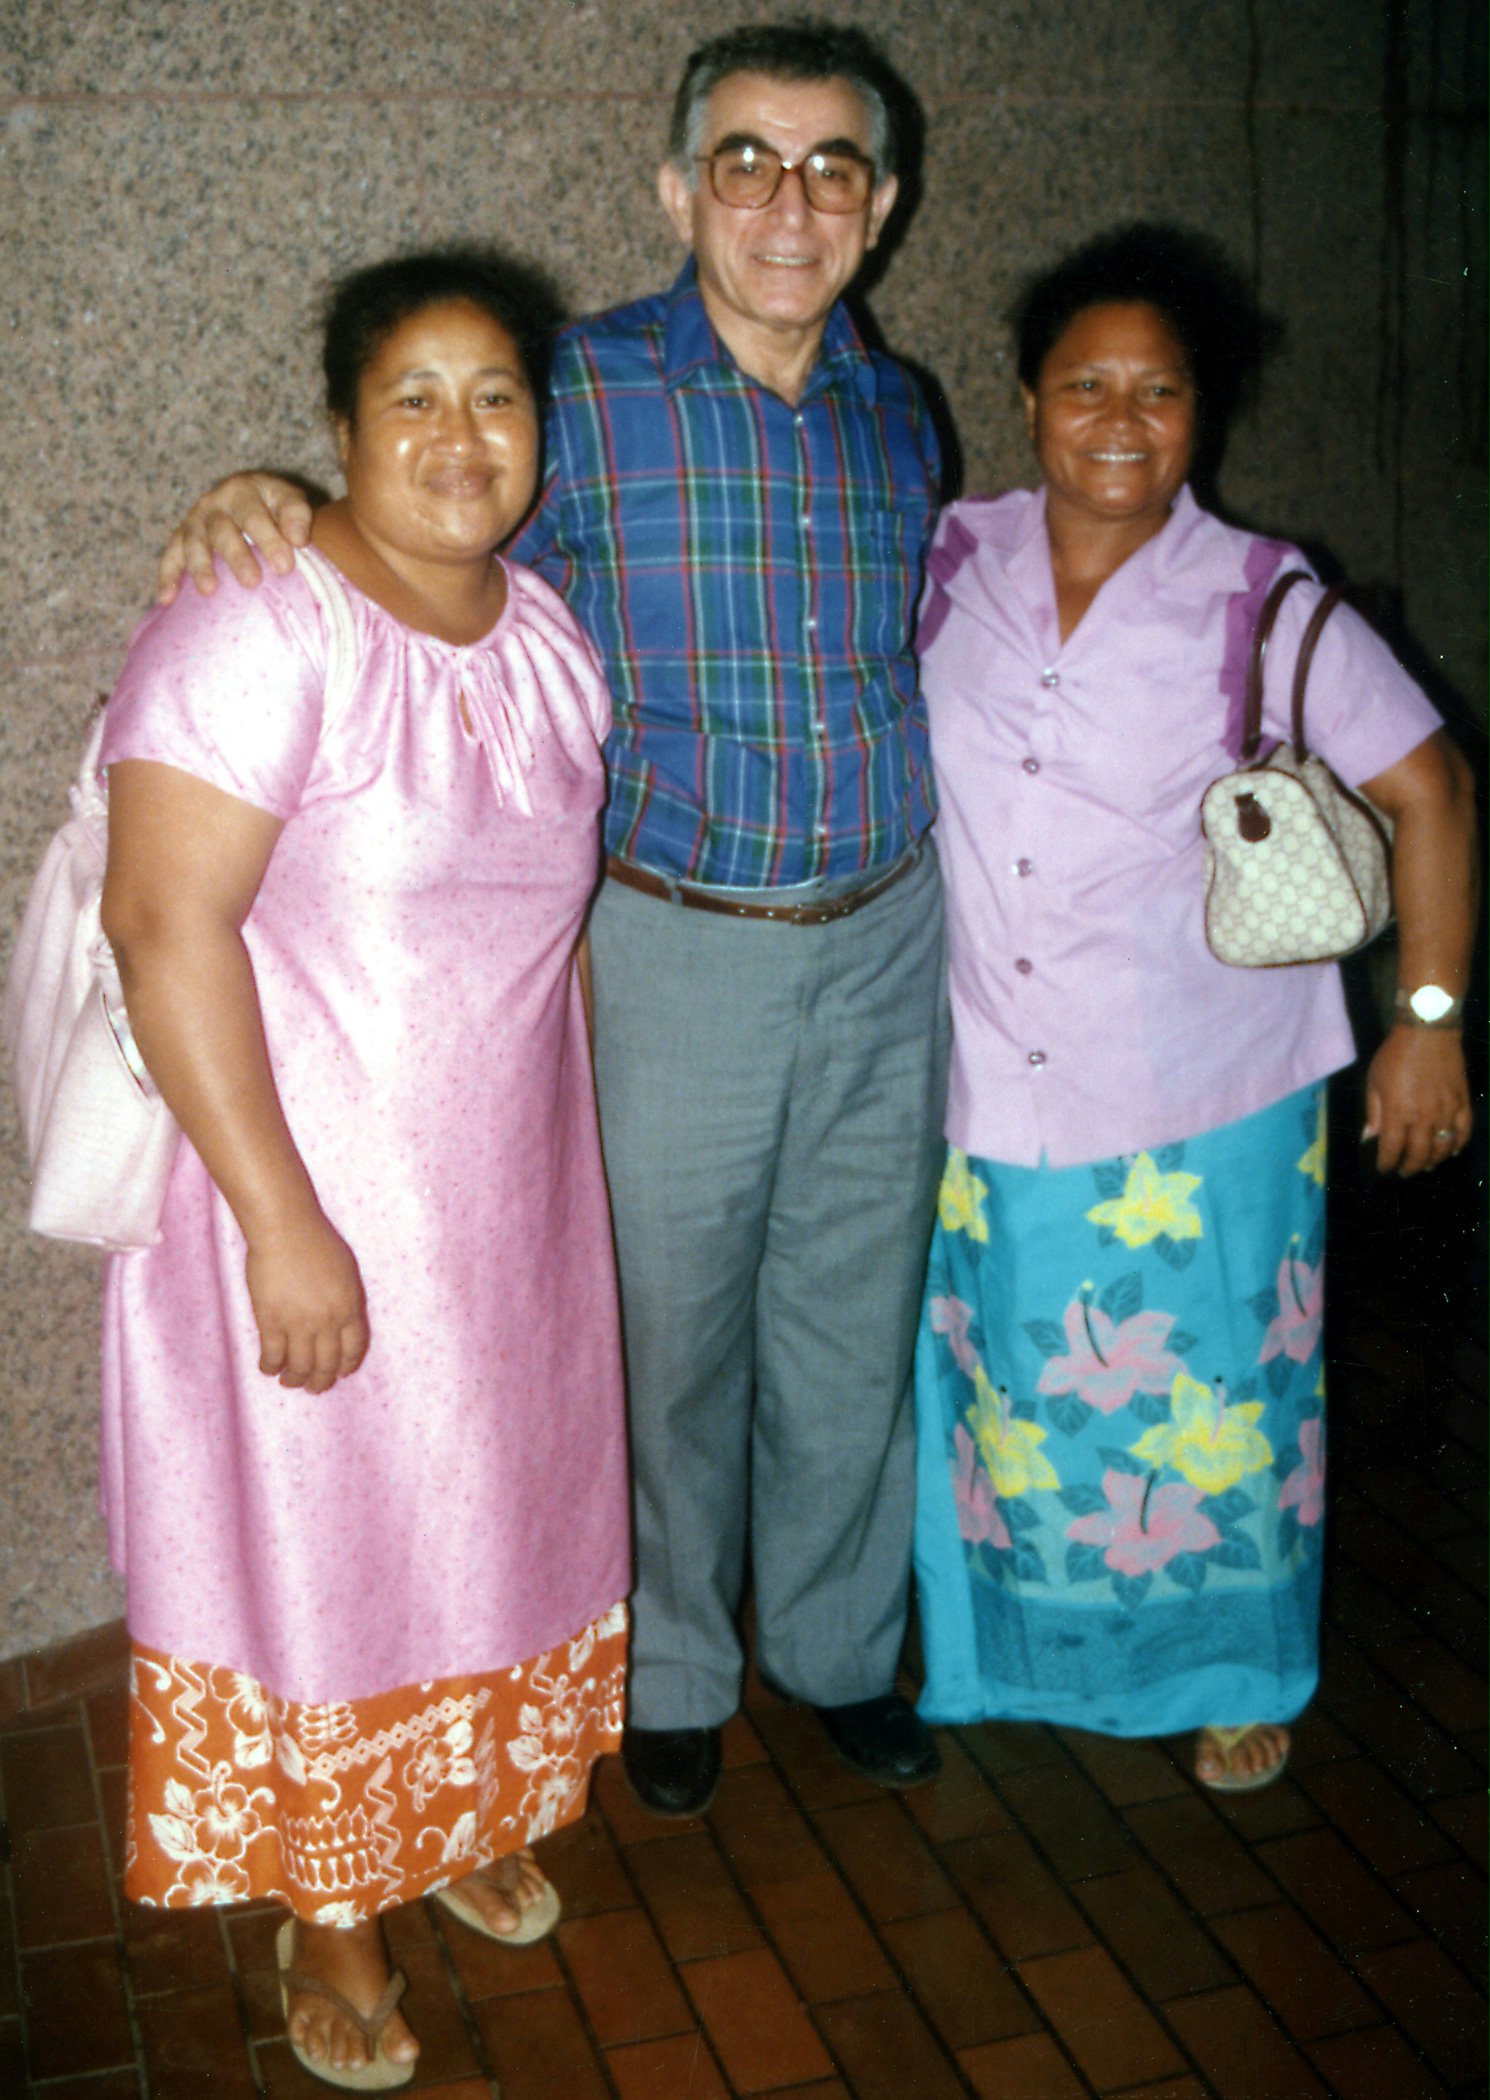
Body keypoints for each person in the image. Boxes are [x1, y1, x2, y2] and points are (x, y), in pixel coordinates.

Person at [155, 21, 949, 1817]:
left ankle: (836, 1648)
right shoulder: (574, 390)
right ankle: (667, 1671)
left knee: (853, 1317)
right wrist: (267, 500)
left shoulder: (898, 409)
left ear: (881, 206)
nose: (788, 202)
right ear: (678, 190)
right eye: (745, 160)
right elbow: (419, 519)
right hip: (674, 936)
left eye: (830, 168)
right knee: (662, 1336)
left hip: (888, 927)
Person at [99, 250, 629, 2088]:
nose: (458, 433)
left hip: (507, 1208)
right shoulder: (257, 625)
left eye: (495, 394)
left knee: (489, 1523)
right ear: (336, 427)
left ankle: (457, 1808)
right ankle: (334, 1905)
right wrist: (281, 1225)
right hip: (301, 1201)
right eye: (411, 394)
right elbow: (163, 927)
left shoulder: (548, 637)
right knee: (341, 1549)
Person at [910, 224, 1477, 1793]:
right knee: (1011, 1397)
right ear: (1026, 397)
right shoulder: (945, 562)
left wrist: (1428, 1018)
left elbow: (1429, 792)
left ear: (1198, 413)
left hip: (1207, 1099)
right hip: (990, 1085)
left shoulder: (1257, 597)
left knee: (1219, 1404)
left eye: (1156, 390)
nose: (1118, 419)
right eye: (1082, 383)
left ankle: (1235, 1673)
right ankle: (1006, 1656)